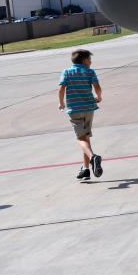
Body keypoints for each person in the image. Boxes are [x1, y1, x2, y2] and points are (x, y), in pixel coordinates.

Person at [57, 49, 103, 181]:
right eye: (89, 59)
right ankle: (86, 169)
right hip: (89, 108)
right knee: (86, 138)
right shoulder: (90, 72)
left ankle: (93, 158)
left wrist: (61, 103)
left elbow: (61, 88)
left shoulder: (67, 72)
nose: (91, 62)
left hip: (75, 110)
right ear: (84, 60)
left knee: (80, 139)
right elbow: (97, 87)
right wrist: (98, 97)